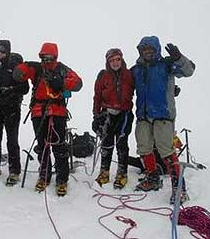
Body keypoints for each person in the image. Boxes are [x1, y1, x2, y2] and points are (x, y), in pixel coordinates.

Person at [132, 36, 195, 204]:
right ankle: (153, 178)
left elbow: (189, 71)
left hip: (163, 114)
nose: (147, 53)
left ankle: (179, 188)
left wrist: (178, 57)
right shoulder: (136, 69)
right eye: (144, 50)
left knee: (166, 150)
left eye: (150, 50)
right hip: (143, 115)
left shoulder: (167, 65)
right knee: (144, 147)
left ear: (156, 50)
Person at [13, 42, 82, 196]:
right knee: (42, 146)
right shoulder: (36, 68)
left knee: (58, 146)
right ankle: (44, 176)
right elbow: (19, 73)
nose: (47, 61)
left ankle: (62, 179)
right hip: (38, 111)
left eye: (50, 58)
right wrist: (18, 67)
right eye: (44, 58)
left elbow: (78, 83)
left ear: (55, 57)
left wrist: (61, 83)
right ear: (41, 57)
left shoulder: (62, 69)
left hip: (57, 111)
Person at [0, 39, 30, 186]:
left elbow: (25, 88)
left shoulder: (16, 67)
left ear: (7, 51)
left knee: (12, 140)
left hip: (11, 108)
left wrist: (11, 90)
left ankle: (14, 171)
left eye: (2, 51)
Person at [92, 48, 134, 189]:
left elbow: (143, 88)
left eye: (117, 59)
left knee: (122, 144)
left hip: (125, 113)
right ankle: (104, 172)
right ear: (107, 62)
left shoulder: (129, 75)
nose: (115, 63)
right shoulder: (103, 76)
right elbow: (97, 96)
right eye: (111, 60)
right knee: (107, 143)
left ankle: (122, 174)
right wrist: (96, 116)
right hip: (107, 113)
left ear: (122, 59)